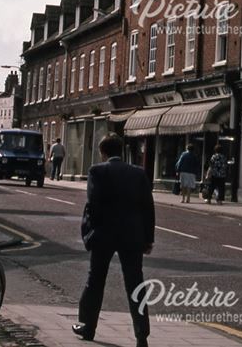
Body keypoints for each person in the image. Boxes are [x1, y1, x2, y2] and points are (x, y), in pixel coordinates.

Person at [74, 134, 154, 347]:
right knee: (135, 283)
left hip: (104, 234)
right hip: (132, 235)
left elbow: (93, 205)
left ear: (103, 152)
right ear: (121, 151)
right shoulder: (138, 174)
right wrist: (148, 239)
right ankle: (141, 335)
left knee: (95, 281)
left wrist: (91, 232)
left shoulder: (97, 171)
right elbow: (148, 207)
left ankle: (88, 327)